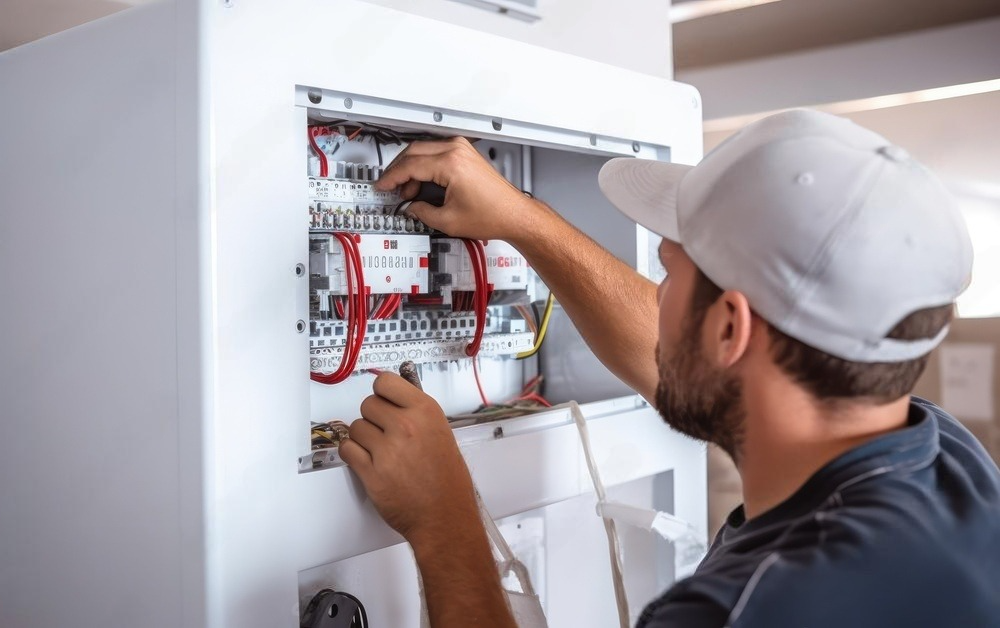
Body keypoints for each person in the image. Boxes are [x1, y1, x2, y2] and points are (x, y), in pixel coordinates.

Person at [337, 110, 1000, 627]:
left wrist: (443, 524)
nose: (656, 292)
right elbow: (694, 362)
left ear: (731, 328)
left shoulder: (745, 609)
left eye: (669, 270)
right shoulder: (948, 464)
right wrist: (523, 222)